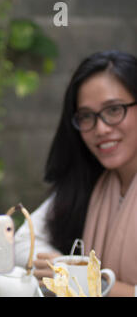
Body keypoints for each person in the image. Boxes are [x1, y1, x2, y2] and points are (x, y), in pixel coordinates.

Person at [14, 50, 137, 297]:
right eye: (86, 116)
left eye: (114, 110)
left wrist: (93, 284)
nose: (101, 128)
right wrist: (62, 266)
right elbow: (23, 240)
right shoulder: (95, 181)